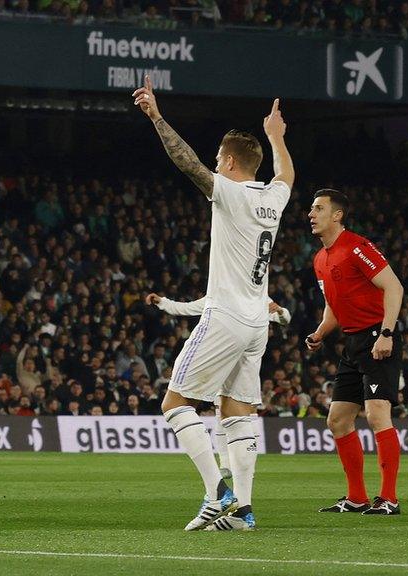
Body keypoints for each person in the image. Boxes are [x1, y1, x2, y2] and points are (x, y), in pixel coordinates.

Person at [134, 75, 294, 532]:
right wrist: (276, 137)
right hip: (255, 322)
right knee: (235, 412)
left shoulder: (229, 190)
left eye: (219, 159)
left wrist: (157, 117)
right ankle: (242, 511)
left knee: (174, 402)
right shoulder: (273, 197)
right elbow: (286, 174)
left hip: (224, 315)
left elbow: (188, 164)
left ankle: (216, 490)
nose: (215, 164)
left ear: (227, 161)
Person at [306, 188, 405, 516]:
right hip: (352, 343)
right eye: (311, 209)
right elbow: (333, 306)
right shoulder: (320, 259)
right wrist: (320, 333)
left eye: (319, 208)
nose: (311, 214)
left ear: (337, 215)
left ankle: (389, 498)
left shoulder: (357, 247)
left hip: (378, 336)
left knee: (377, 413)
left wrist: (387, 334)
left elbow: (393, 286)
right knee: (337, 420)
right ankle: (357, 497)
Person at [145, 292, 292, 479]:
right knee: (220, 410)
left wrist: (279, 311)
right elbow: (186, 308)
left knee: (248, 410)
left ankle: (247, 463)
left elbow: (285, 318)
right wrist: (163, 302)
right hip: (224, 360)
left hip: (246, 363)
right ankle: (226, 465)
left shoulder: (256, 296)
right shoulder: (219, 295)